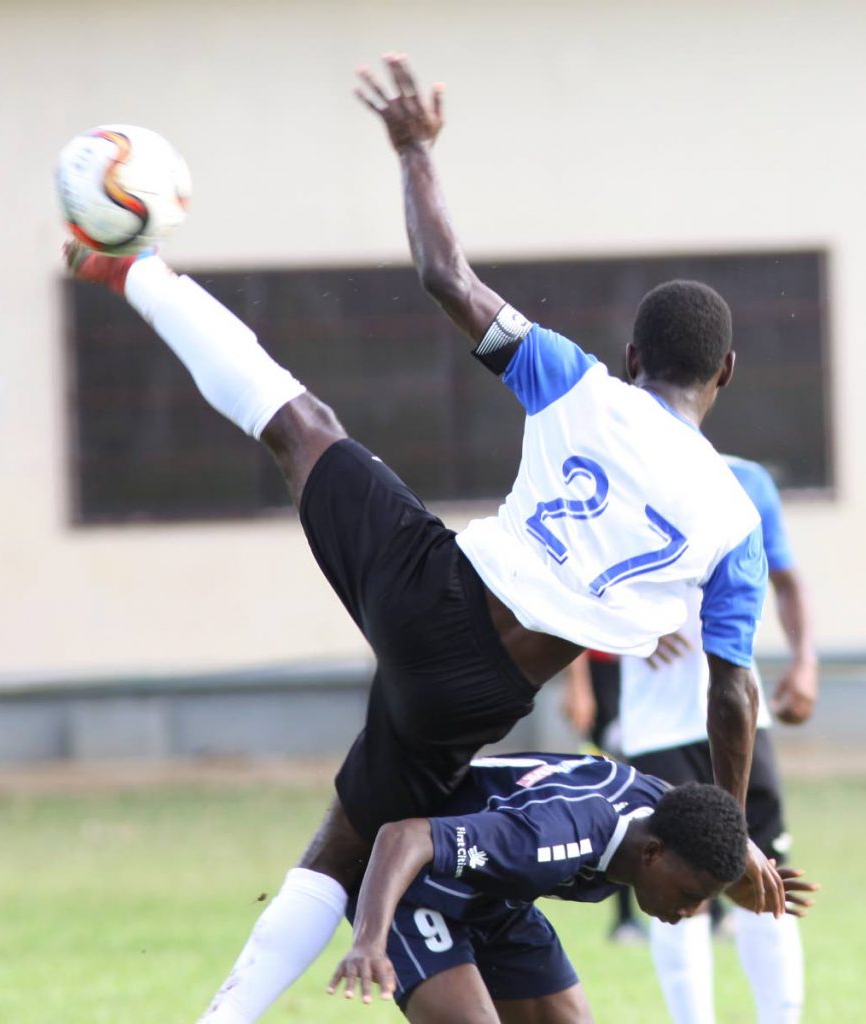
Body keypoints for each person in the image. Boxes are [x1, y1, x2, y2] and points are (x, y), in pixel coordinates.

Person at [64, 52, 784, 1024]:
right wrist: (729, 833)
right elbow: (732, 689)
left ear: (633, 357)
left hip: (426, 579)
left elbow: (445, 276)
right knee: (349, 840)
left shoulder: (581, 384)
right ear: (727, 372)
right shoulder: (734, 518)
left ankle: (136, 272)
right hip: (472, 684)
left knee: (301, 424)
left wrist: (414, 151)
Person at [327, 752, 816, 1022]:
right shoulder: (552, 837)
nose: (690, 913)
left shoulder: (658, 820)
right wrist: (369, 940)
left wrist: (737, 863)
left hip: (495, 896)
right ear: (652, 854)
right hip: (411, 884)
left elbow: (692, 809)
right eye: (690, 895)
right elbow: (402, 836)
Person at [618, 456, 818, 1023]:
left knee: (766, 875)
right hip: (657, 723)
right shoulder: (620, 472)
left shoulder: (745, 479)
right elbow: (573, 575)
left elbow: (788, 581)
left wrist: (805, 660)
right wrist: (630, 621)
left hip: (739, 720)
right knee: (679, 879)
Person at [561, 652, 647, 944]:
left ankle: (711, 910)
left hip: (648, 667)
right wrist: (578, 683)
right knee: (618, 794)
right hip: (604, 669)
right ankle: (624, 917)